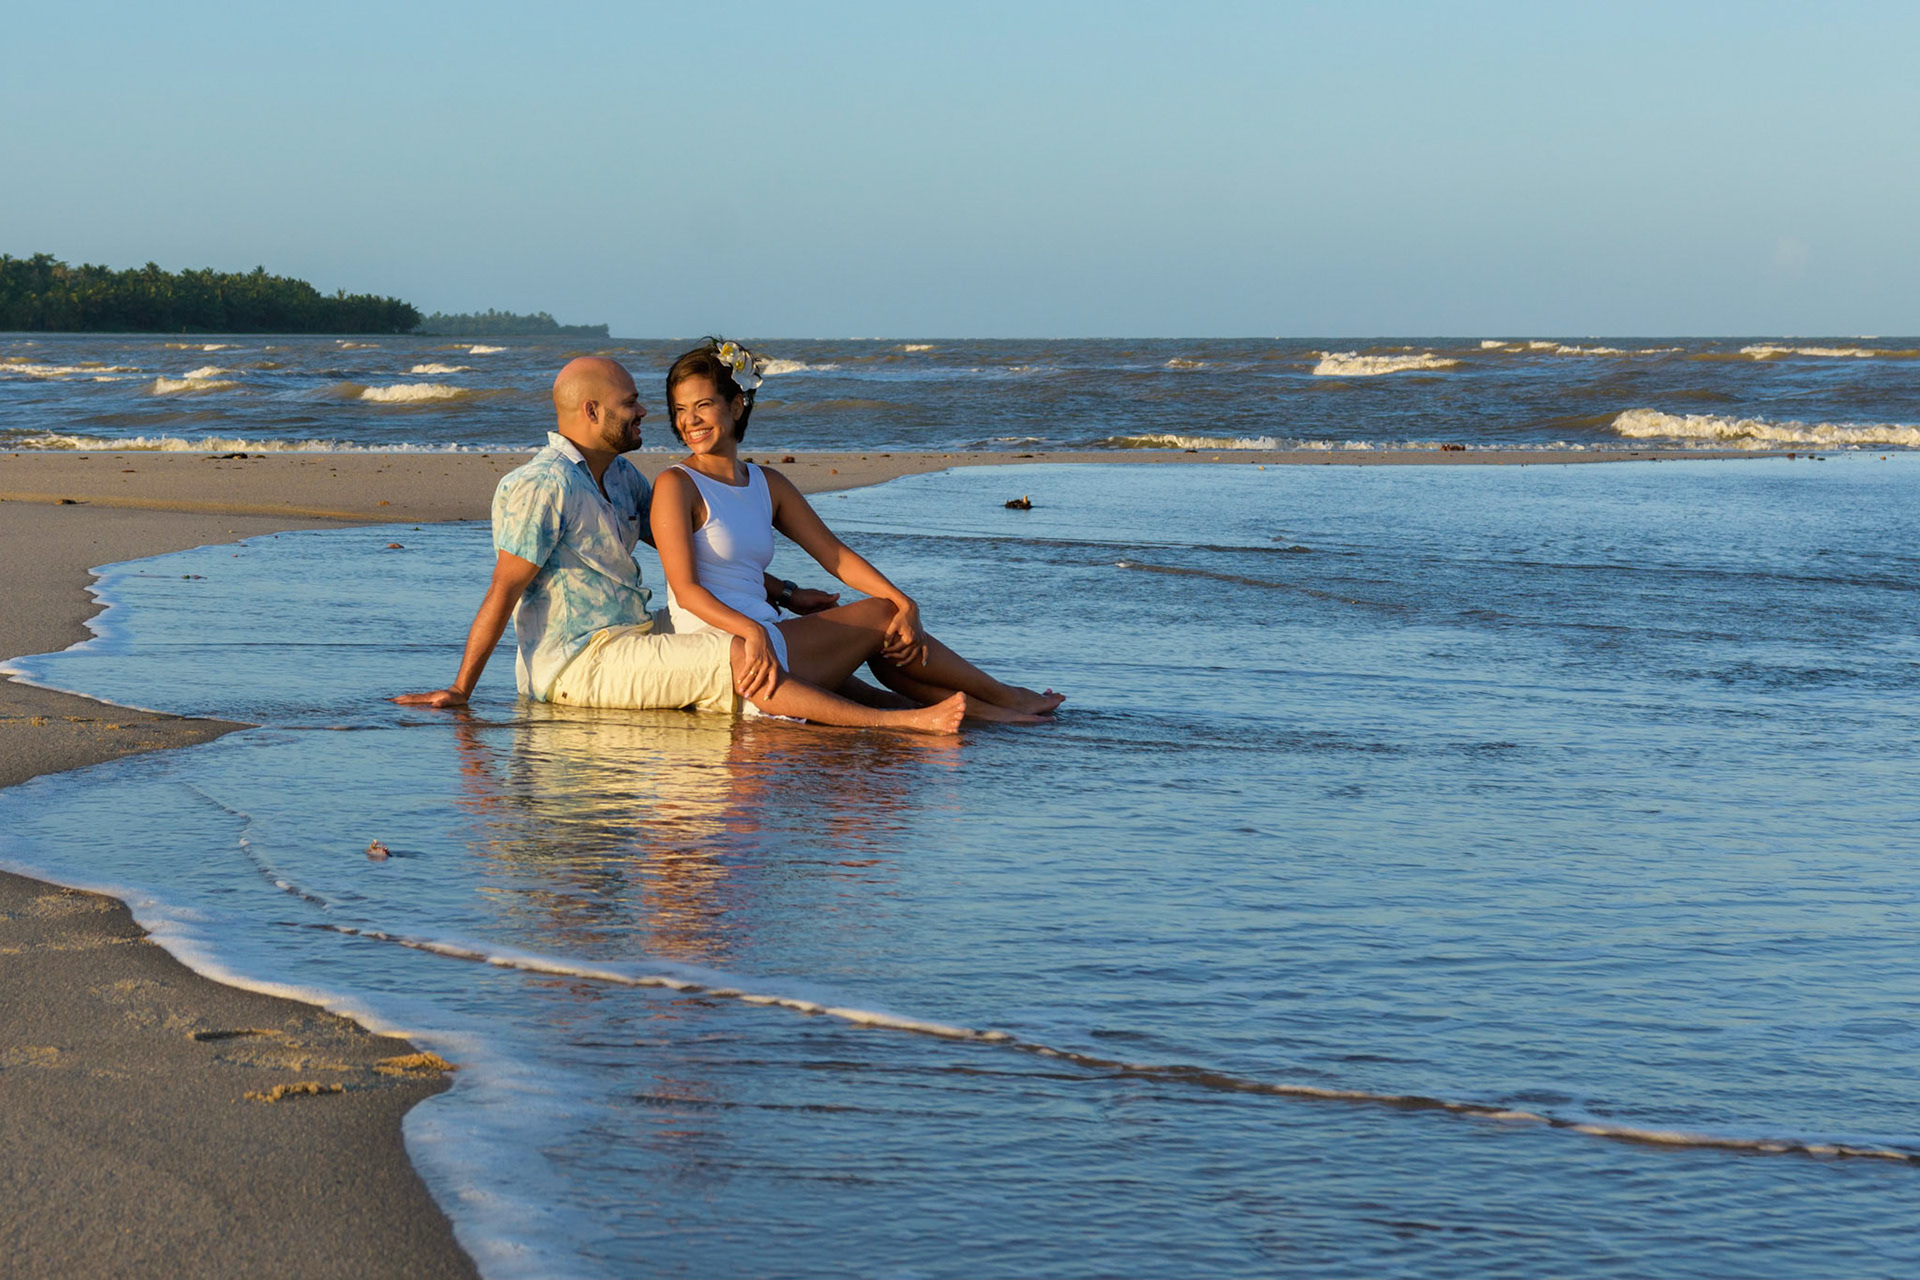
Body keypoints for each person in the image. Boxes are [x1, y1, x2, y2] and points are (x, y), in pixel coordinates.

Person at [393, 356, 967, 733]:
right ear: (592, 412)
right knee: (746, 648)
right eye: (631, 401)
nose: (647, 411)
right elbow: (503, 588)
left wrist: (786, 592)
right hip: (576, 664)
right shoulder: (541, 486)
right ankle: (905, 727)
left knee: (802, 645)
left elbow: (690, 551)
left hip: (634, 636)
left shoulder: (620, 477)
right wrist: (460, 690)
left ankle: (976, 709)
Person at [651, 339, 1064, 724]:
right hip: (727, 642)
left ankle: (996, 714)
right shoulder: (677, 484)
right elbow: (686, 590)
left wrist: (906, 603)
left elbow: (834, 555)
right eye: (680, 410)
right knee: (881, 617)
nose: (690, 421)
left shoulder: (765, 483)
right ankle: (1008, 697)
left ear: (737, 405)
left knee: (892, 637)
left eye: (703, 405)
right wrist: (753, 629)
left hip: (768, 629)